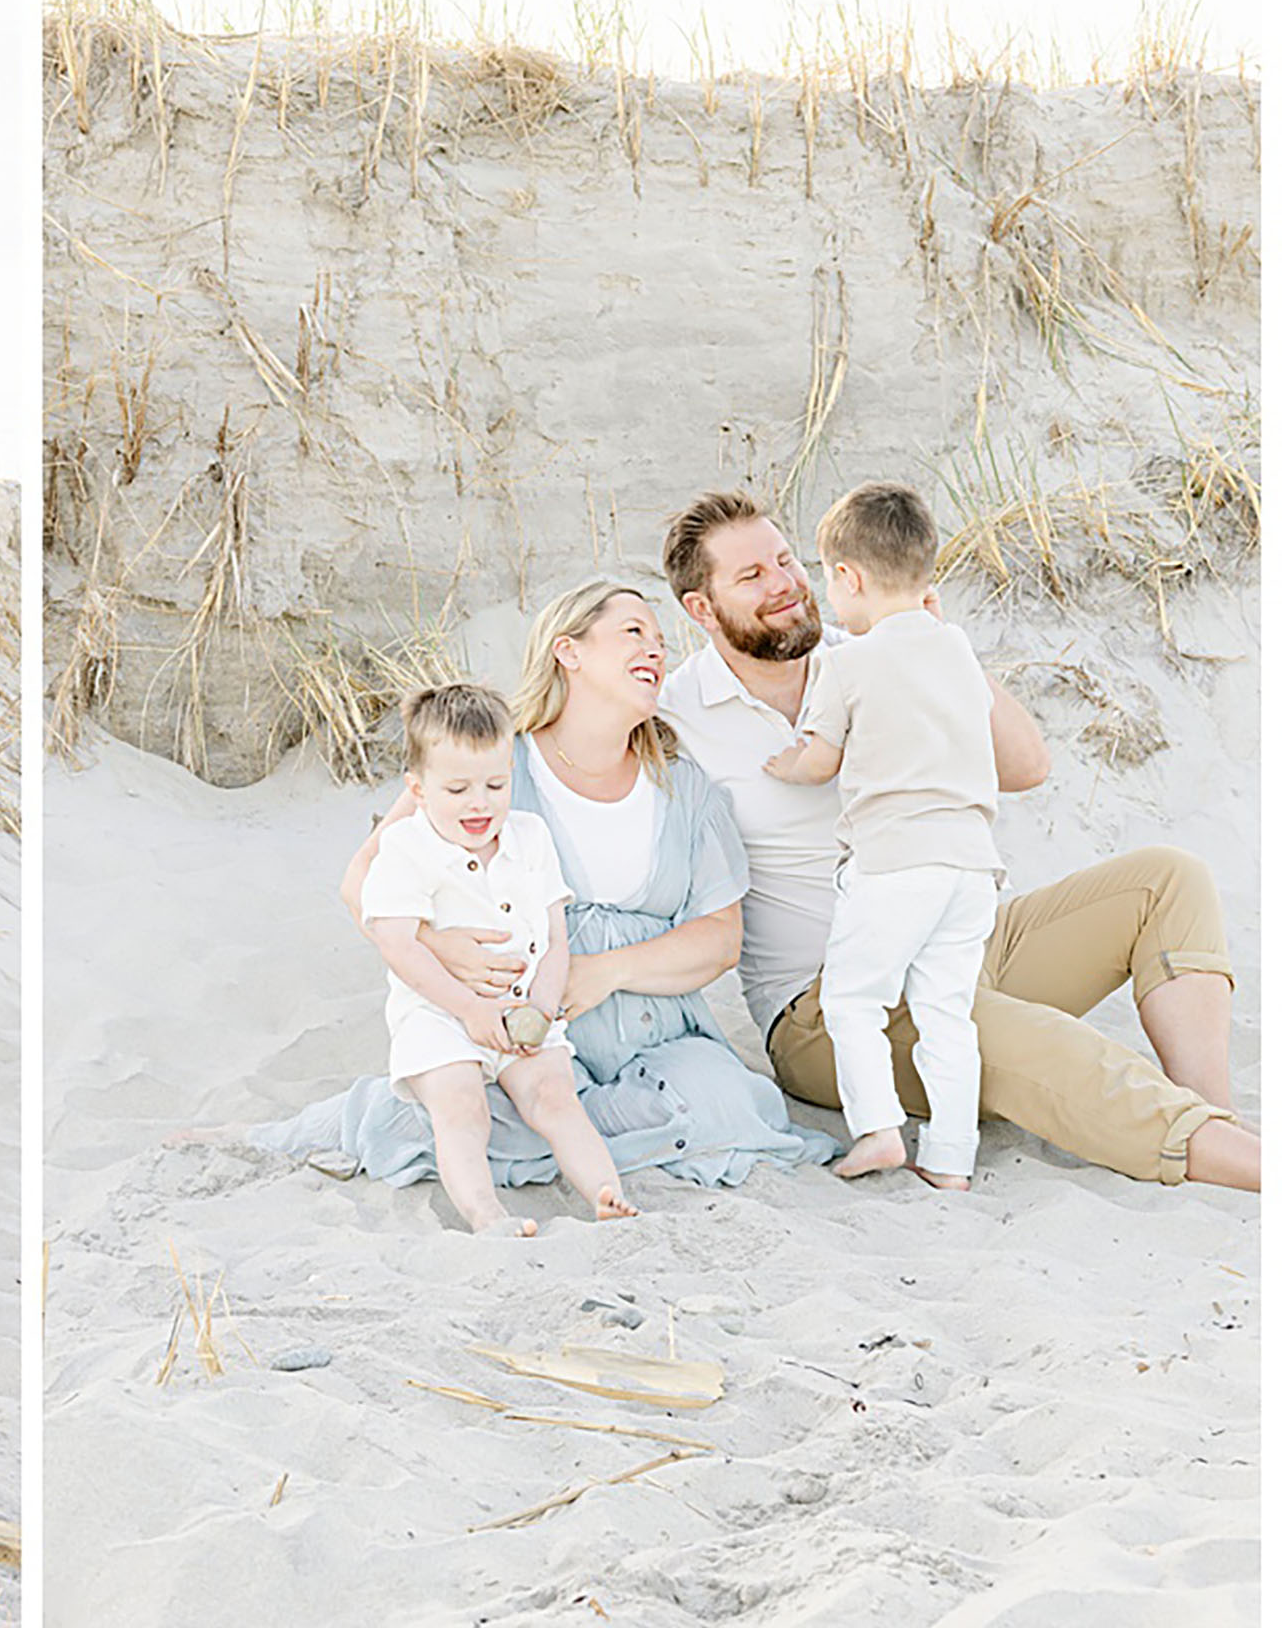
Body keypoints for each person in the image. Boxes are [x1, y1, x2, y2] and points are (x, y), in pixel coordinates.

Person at [658, 488, 1258, 1191]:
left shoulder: (877, 645)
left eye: (786, 560)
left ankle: (1217, 1124)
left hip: (953, 938)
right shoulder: (677, 715)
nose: (785, 584)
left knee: (1167, 878)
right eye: (751, 576)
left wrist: (945, 649)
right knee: (1012, 1036)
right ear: (701, 608)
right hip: (827, 1006)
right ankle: (1245, 1162)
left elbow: (1026, 766)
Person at [246, 580, 836, 1198]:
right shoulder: (495, 770)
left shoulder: (686, 788)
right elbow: (361, 881)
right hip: (528, 1040)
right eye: (633, 632)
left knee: (726, 1105)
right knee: (482, 1108)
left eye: (662, 642)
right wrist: (438, 944)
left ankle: (562, 1136)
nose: (657, 651)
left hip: (660, 1037)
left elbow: (719, 941)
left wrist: (603, 972)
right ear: (568, 651)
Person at [762, 483, 1001, 1189]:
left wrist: (787, 761)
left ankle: (878, 1130)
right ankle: (952, 1160)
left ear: (849, 577)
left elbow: (822, 759)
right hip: (971, 865)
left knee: (852, 1000)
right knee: (946, 1014)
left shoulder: (847, 661)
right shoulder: (956, 647)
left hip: (895, 861)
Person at [361, 682, 633, 1235]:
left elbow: (555, 938)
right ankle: (486, 1215)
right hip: (441, 1014)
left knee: (556, 1096)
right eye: (457, 789)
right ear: (417, 788)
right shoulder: (406, 848)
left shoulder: (530, 837)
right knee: (461, 1105)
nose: (480, 803)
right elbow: (396, 941)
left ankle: (607, 1196)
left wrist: (543, 1001)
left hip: (523, 1009)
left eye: (496, 784)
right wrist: (467, 1009)